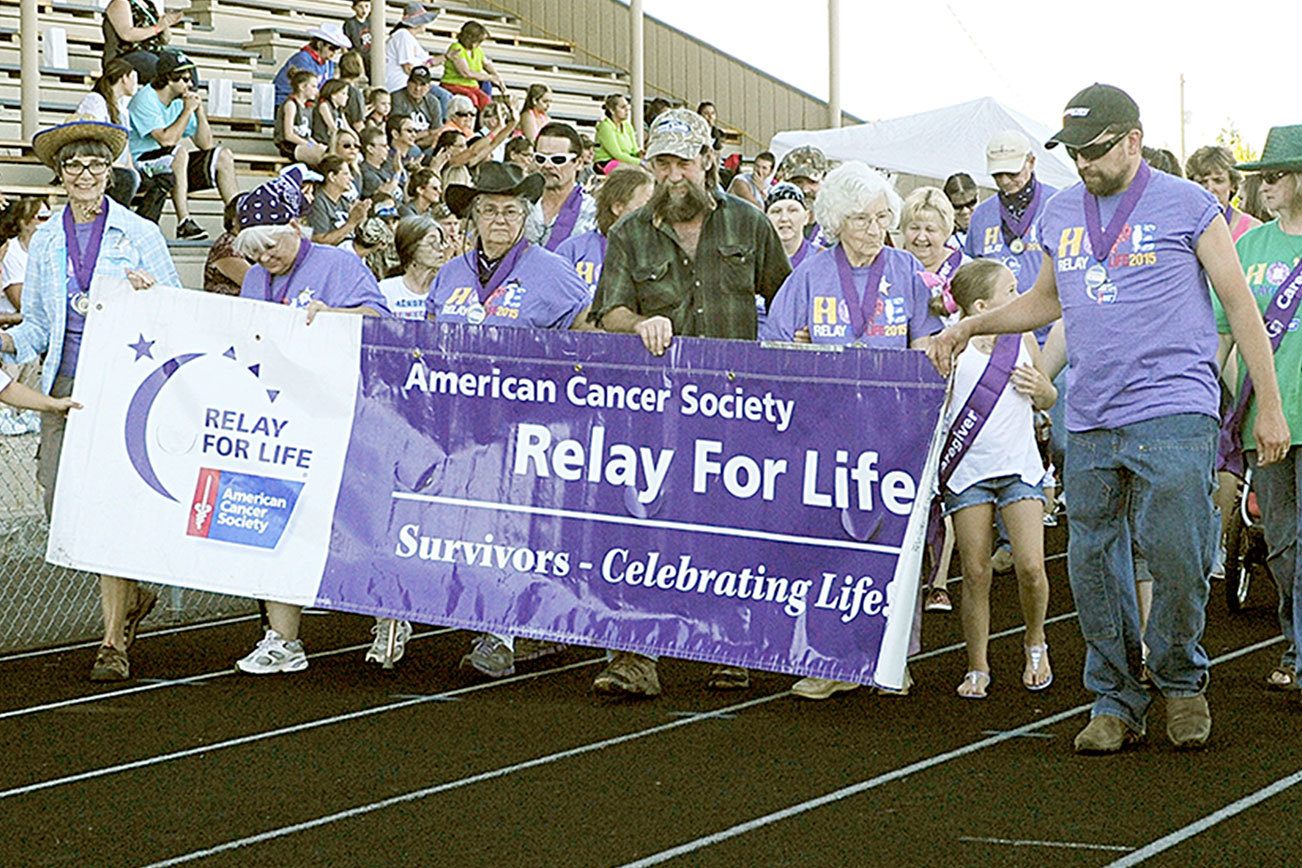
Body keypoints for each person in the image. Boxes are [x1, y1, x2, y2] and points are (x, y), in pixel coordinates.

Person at [927, 83, 1290, 754]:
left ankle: (1181, 683)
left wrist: (1268, 407)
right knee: (1092, 562)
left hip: (1175, 410)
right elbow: (1042, 302)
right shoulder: (1062, 212)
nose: (1085, 165)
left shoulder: (1189, 204)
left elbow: (1241, 306)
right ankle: (1115, 696)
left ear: (1132, 139)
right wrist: (971, 324)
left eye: (1096, 151)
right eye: (1074, 153)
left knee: (1178, 556)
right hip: (1092, 414)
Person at [590, 108, 791, 697]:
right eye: (662, 163)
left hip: (737, 408)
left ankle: (728, 642)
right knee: (642, 519)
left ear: (708, 161)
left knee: (729, 522)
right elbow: (611, 309)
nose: (674, 174)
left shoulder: (750, 225)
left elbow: (786, 302)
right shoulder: (629, 233)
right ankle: (634, 657)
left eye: (683, 161)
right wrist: (639, 321)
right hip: (657, 404)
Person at [3, 117, 181, 681]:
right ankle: (131, 600)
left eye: (96, 165)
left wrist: (150, 297)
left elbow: (176, 307)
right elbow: (35, 327)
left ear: (111, 172)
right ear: (60, 175)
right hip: (65, 387)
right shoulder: (49, 238)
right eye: (74, 166)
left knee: (110, 512)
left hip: (122, 386)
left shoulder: (140, 233)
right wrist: (6, 340)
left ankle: (112, 644)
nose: (85, 174)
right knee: (61, 506)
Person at [426, 162, 594, 678]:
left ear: (526, 217)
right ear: (473, 217)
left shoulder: (551, 271)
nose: (500, 220)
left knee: (510, 528)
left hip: (527, 425)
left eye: (510, 210)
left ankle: (500, 635)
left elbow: (586, 331)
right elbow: (431, 335)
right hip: (459, 427)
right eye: (490, 210)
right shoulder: (451, 274)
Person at [231, 169, 389, 675]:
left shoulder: (338, 264)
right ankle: (282, 637)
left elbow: (380, 318)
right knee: (274, 515)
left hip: (339, 411)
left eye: (272, 247)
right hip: (281, 412)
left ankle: (388, 613)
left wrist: (332, 316)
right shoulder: (257, 277)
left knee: (350, 519)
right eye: (256, 253)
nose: (265, 260)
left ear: (296, 227)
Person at [930, 260, 1055, 698]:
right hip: (970, 471)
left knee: (1031, 567)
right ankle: (977, 663)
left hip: (1019, 465)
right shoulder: (951, 344)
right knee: (976, 571)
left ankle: (1035, 638)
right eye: (1011, 290)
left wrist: (1040, 390)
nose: (1020, 297)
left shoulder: (1021, 339)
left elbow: (1049, 396)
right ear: (981, 306)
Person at [1214, 127, 1302, 695]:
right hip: (1262, 422)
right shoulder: (1248, 248)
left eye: (1272, 176)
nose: (1262, 186)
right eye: (1260, 177)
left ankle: (1297, 655)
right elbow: (1222, 337)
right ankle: (1295, 642)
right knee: (1284, 545)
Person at [900, 185, 966, 613]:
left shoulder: (967, 271)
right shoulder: (895, 268)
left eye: (930, 227)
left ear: (947, 229)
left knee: (949, 482)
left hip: (957, 388)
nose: (921, 237)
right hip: (906, 391)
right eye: (912, 227)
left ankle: (940, 576)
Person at [127, 50, 238, 239]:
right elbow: (166, 140)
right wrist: (187, 111)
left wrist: (199, 111)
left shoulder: (182, 101)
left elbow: (205, 144)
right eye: (185, 79)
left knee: (222, 155)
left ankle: (237, 219)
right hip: (140, 163)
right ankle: (184, 222)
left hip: (170, 164)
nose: (191, 84)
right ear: (169, 79)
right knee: (179, 152)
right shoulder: (145, 98)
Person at [965, 130, 1058, 345]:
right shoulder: (981, 215)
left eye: (1012, 172)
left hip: (1051, 338)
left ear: (1031, 162)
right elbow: (971, 276)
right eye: (998, 175)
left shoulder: (1057, 205)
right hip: (997, 339)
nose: (1005, 181)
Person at [555, 164, 653, 291]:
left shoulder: (658, 251)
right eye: (646, 206)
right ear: (618, 207)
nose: (653, 213)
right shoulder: (573, 250)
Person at [77, 58, 140, 206]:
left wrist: (133, 170)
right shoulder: (96, 101)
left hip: (119, 168)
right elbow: (94, 136)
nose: (136, 85)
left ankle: (140, 225)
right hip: (97, 167)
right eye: (133, 78)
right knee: (125, 179)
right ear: (124, 78)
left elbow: (126, 147)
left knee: (162, 179)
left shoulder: (123, 110)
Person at [526, 122, 597, 250]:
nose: (547, 166)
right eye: (540, 158)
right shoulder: (519, 206)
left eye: (558, 159)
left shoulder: (594, 214)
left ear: (579, 163)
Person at [1187, 145, 1261, 242]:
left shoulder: (1253, 230)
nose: (1210, 189)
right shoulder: (1184, 228)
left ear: (1233, 185)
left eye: (1218, 181)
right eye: (1202, 182)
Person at [380, 214, 445, 319]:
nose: (441, 248)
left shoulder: (446, 289)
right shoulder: (385, 290)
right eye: (432, 243)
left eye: (441, 242)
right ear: (410, 248)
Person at [272, 23, 352, 108]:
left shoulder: (329, 64)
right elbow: (308, 88)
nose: (333, 53)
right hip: (285, 102)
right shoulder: (303, 58)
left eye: (337, 50)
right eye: (331, 48)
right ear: (320, 44)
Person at [103, 0, 183, 82]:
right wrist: (157, 28)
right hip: (126, 54)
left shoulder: (149, 5)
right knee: (158, 66)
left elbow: (165, 40)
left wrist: (166, 23)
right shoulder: (120, 2)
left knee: (182, 63)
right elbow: (127, 34)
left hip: (153, 52)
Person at [0, 197, 50, 318]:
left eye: (49, 216)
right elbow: (22, 303)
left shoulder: (51, 249)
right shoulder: (11, 251)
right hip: (15, 324)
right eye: (42, 217)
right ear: (24, 223)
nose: (49, 222)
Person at [441, 21, 505, 110]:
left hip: (472, 86)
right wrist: (490, 77)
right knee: (471, 99)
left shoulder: (478, 50)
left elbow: (486, 64)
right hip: (453, 84)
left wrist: (497, 77)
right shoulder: (457, 48)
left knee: (485, 100)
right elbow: (466, 73)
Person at [307, 155, 370, 246]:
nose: (351, 178)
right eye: (346, 174)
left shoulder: (344, 201)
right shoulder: (318, 202)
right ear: (332, 177)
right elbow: (319, 241)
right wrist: (351, 224)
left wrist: (361, 216)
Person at [384, 3, 443, 93]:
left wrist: (447, 57)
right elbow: (408, 68)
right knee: (443, 96)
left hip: (410, 83)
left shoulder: (409, 38)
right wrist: (422, 83)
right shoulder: (403, 35)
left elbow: (429, 62)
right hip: (400, 84)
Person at [274, 68, 328, 166]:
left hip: (302, 143)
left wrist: (316, 144)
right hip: (289, 146)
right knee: (321, 156)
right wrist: (309, 145)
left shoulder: (308, 107)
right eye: (314, 86)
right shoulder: (291, 105)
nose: (317, 91)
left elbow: (307, 135)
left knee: (328, 152)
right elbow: (289, 135)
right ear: (302, 87)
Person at [390, 66, 448, 150]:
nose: (417, 88)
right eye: (414, 83)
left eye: (422, 84)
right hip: (403, 144)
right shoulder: (397, 97)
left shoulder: (433, 101)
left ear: (429, 87)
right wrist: (428, 133)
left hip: (426, 143)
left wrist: (425, 138)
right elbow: (399, 132)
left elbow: (437, 130)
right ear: (407, 82)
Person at [203, 198, 249, 296]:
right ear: (233, 220)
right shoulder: (227, 246)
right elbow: (255, 283)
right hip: (226, 307)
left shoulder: (248, 243)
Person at [593, 93, 641, 174]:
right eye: (622, 107)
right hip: (605, 163)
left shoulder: (627, 125)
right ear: (612, 110)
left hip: (625, 162)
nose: (627, 110)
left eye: (627, 107)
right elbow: (617, 154)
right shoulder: (605, 126)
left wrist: (640, 154)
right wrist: (640, 162)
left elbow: (635, 149)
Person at [359, 126, 402, 205]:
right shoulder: (365, 172)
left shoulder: (387, 165)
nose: (388, 148)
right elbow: (386, 192)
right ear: (370, 149)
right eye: (384, 146)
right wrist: (398, 172)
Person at [311, 79, 353, 153]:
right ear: (333, 95)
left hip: (336, 143)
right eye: (343, 93)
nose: (347, 97)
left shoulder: (339, 110)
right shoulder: (324, 106)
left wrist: (357, 141)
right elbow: (333, 129)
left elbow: (347, 128)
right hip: (323, 143)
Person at [944, 172, 979, 251]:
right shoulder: (942, 237)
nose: (965, 211)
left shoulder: (993, 224)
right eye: (957, 207)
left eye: (971, 203)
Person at [343, 0, 373, 83]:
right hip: (357, 57)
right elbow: (345, 43)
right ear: (354, 8)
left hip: (370, 57)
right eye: (360, 7)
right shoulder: (350, 23)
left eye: (366, 6)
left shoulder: (372, 21)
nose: (364, 10)